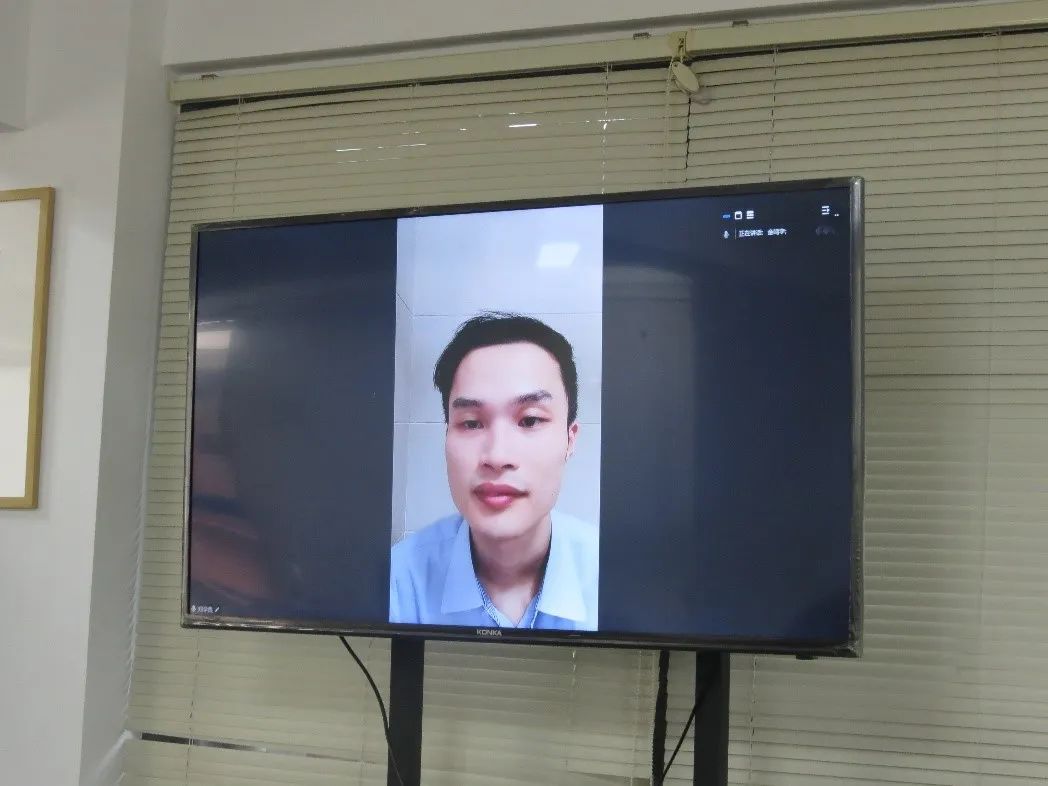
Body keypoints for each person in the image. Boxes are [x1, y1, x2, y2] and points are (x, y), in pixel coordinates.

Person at [389, 313, 598, 630]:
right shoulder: (399, 581)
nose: (497, 457)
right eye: (472, 423)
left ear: (570, 439)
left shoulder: (615, 577)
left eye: (529, 420)